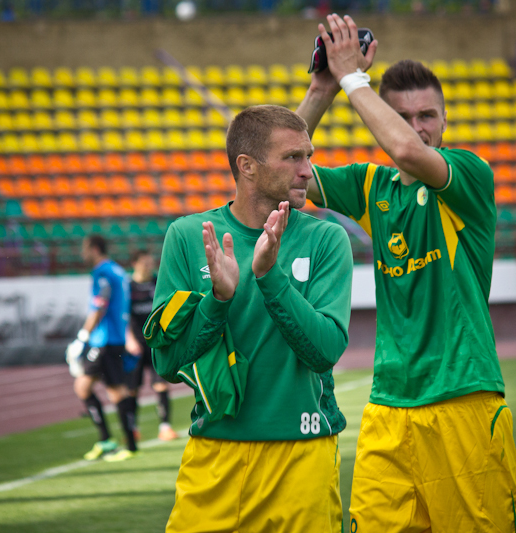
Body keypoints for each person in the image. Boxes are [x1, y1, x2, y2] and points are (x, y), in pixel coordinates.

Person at [296, 14, 516, 532]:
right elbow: (279, 172)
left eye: (427, 115)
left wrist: (354, 77)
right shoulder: (372, 187)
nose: (416, 127)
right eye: (402, 116)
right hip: (389, 405)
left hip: (464, 396)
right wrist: (322, 89)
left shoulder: (468, 175)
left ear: (445, 120)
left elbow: (407, 151)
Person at [145, 105, 353, 532]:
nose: (307, 170)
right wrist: (218, 300)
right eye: (292, 157)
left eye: (309, 156)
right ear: (247, 166)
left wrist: (269, 276)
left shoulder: (326, 238)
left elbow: (326, 351)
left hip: (303, 454)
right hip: (214, 454)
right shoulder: (188, 237)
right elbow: (166, 363)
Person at [66, 235, 138, 462]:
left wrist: (82, 337)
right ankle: (112, 440)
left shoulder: (102, 272)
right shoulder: (118, 270)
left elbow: (100, 305)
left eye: (85, 249)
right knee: (94, 388)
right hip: (113, 339)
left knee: (107, 390)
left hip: (104, 341)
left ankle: (126, 444)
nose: (82, 254)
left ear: (95, 249)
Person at [124, 248, 179, 441]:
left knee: (161, 384)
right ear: (134, 264)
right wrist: (129, 339)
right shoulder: (128, 287)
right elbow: (123, 316)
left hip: (157, 343)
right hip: (135, 344)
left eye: (150, 262)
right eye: (144, 263)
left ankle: (165, 427)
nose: (149, 266)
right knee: (132, 388)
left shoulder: (158, 283)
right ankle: (133, 429)